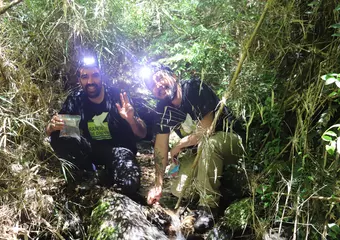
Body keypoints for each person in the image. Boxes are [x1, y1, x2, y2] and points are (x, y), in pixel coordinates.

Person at [144, 65, 244, 233]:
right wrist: (158, 184)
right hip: (199, 151)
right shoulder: (162, 109)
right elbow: (160, 146)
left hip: (229, 140)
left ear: (174, 77)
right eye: (152, 85)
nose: (158, 86)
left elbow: (206, 131)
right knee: (179, 191)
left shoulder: (194, 88)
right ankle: (212, 192)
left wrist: (178, 145)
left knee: (209, 143)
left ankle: (209, 207)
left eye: (160, 78)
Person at [45, 55, 147, 198]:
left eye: (95, 75)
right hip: (90, 150)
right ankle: (88, 173)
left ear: (101, 76)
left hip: (119, 151)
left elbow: (142, 133)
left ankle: (107, 175)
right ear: (80, 79)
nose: (90, 81)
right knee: (59, 134)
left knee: (129, 185)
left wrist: (131, 120)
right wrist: (51, 127)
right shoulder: (76, 99)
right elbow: (59, 129)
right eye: (85, 76)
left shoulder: (117, 96)